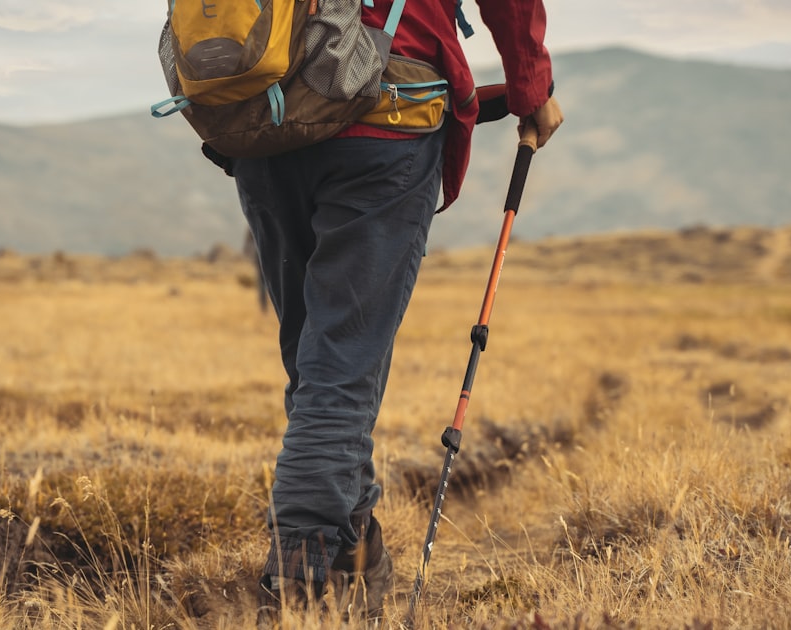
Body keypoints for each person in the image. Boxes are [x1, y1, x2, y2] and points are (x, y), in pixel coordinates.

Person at [235, 0, 563, 621]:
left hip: (265, 118)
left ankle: (354, 549)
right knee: (335, 375)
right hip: (385, 114)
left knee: (317, 366)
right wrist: (531, 86)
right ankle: (293, 588)